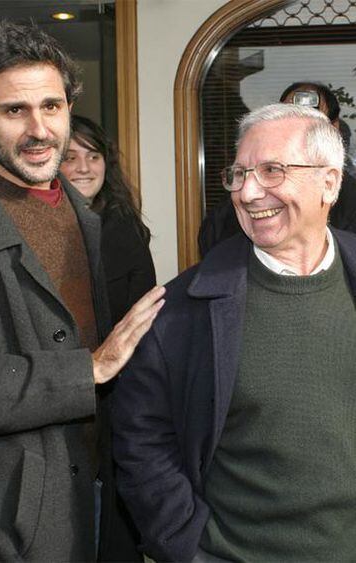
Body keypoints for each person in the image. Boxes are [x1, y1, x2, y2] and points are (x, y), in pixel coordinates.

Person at [0, 20, 165, 562]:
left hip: (92, 496)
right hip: (1, 523)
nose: (39, 129)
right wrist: (88, 368)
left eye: (52, 106)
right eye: (14, 110)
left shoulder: (82, 213)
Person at [112, 103, 356, 562]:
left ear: (330, 182)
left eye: (271, 171)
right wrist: (190, 549)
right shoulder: (181, 312)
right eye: (239, 174)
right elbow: (142, 445)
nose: (247, 192)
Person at [198, 81, 356, 256]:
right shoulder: (241, 201)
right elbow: (212, 239)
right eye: (285, 119)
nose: (250, 194)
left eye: (311, 124)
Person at [60, 116, 156, 325]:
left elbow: (143, 316)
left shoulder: (128, 230)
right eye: (70, 158)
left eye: (94, 157)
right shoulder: (30, 228)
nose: (84, 168)